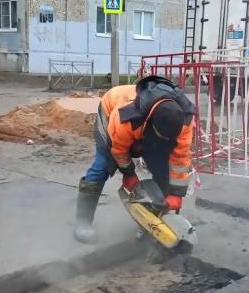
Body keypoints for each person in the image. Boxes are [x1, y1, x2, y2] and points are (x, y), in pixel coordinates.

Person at [74, 75, 195, 243]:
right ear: (152, 124)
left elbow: (180, 158)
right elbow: (119, 150)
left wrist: (176, 193)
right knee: (103, 164)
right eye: (162, 136)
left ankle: (157, 218)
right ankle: (83, 223)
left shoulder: (185, 120)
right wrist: (129, 174)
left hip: (145, 123)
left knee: (162, 168)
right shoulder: (127, 116)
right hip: (111, 109)